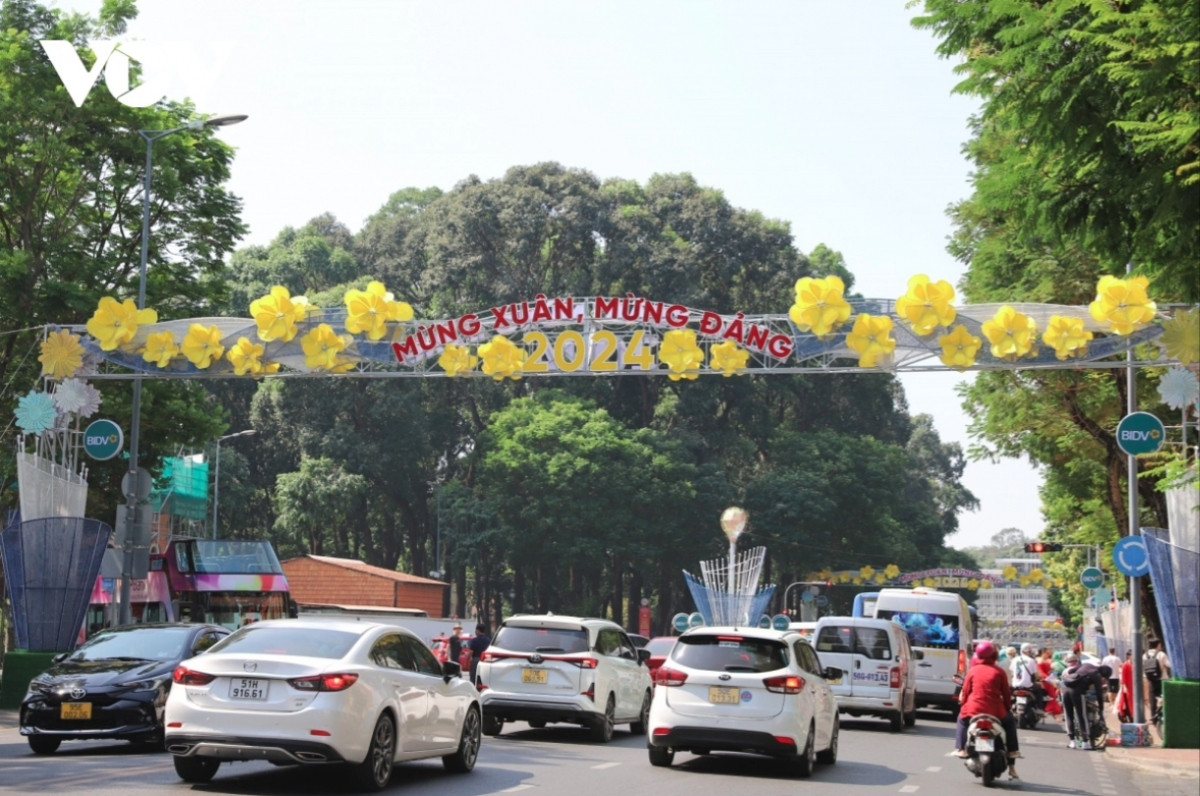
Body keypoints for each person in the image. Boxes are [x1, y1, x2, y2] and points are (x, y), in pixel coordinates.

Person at [954, 640, 1021, 781]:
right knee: (1010, 723)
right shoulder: (999, 672)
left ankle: (960, 748)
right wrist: (1007, 708)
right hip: (996, 711)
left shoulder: (972, 671)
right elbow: (1007, 694)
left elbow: (965, 692)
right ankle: (1013, 751)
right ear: (995, 655)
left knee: (961, 719)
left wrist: (964, 705)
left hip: (973, 709)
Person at [1060, 652, 1107, 750]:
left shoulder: (1084, 666)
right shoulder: (1096, 674)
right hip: (1076, 692)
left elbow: (1071, 673)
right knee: (1082, 716)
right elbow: (1099, 693)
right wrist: (1101, 709)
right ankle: (1085, 743)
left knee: (1068, 715)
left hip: (1065, 690)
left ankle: (1072, 742)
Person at [1010, 642, 1044, 711]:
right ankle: (1039, 709)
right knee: (1039, 690)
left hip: (1015, 686)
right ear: (1030, 651)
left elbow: (1012, 673)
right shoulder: (1031, 660)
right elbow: (1036, 675)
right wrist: (1039, 679)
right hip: (1028, 686)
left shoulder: (1014, 660)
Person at [1143, 639, 1170, 706]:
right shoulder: (1161, 654)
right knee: (1164, 698)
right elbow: (1169, 665)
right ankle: (1162, 714)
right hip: (1162, 679)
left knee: (1153, 698)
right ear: (1158, 645)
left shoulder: (1144, 655)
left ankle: (1153, 713)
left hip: (1151, 680)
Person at [1037, 648, 1062, 718]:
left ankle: (1052, 710)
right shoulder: (1040, 660)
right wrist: (1050, 679)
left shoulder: (1048, 661)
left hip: (1049, 679)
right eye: (1047, 653)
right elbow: (1041, 672)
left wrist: (1053, 677)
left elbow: (1051, 671)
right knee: (1051, 695)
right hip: (1045, 680)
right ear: (1043, 653)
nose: (1048, 655)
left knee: (1052, 695)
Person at [1117, 650, 1134, 724]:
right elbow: (1123, 677)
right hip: (1127, 687)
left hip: (1132, 687)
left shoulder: (1133, 664)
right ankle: (1129, 716)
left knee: (1131, 702)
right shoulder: (1125, 665)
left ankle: (1131, 716)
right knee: (1127, 702)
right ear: (1129, 656)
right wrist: (1124, 686)